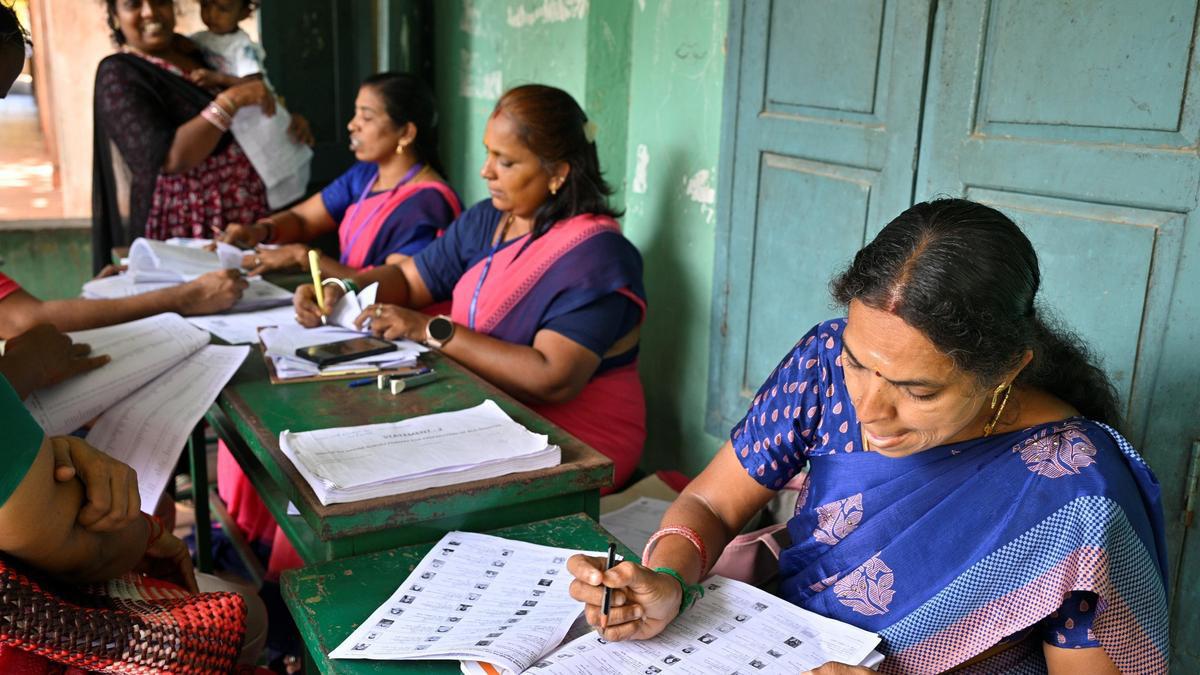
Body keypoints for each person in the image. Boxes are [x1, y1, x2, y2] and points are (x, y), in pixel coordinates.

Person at [566, 200, 1169, 674]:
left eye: (919, 391)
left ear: (1006, 370)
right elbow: (711, 501)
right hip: (773, 647)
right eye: (859, 363)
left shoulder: (1079, 488)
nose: (869, 409)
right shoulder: (826, 358)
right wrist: (668, 581)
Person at [292, 84, 647, 490]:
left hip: (577, 440)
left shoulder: (596, 256)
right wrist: (339, 287)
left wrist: (428, 329)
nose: (486, 171)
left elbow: (553, 377)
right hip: (487, 415)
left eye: (506, 161)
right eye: (488, 153)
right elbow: (410, 279)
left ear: (558, 172)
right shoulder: (489, 220)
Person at [91, 0, 311, 273]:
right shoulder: (119, 73)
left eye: (159, 1)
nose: (149, 11)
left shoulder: (200, 50)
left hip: (248, 217)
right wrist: (230, 101)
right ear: (115, 15)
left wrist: (285, 119)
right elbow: (171, 157)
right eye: (133, 4)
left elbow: (256, 92)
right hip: (190, 224)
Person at [219, 72, 460, 277]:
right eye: (356, 114)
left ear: (406, 133)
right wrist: (260, 231)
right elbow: (303, 220)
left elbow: (397, 287)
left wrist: (304, 258)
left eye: (366, 117)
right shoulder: (366, 175)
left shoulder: (428, 203)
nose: (352, 125)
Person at [187, 0, 312, 210]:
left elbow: (255, 85)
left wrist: (218, 78)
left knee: (278, 161)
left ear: (244, 13)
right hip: (235, 122)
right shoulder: (200, 39)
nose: (211, 14)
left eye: (223, 9)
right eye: (206, 5)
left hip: (261, 116)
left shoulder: (241, 45)